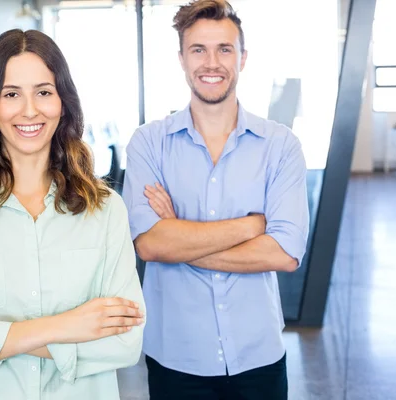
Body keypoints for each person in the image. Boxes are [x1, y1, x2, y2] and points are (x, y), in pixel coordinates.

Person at [0, 29, 145, 400]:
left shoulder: (106, 209)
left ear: (62, 102)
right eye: (11, 94)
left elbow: (125, 345)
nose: (29, 110)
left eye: (44, 92)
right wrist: (68, 326)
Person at [122, 1, 309, 399]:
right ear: (181, 59)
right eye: (198, 50)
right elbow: (150, 244)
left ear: (243, 57)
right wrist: (251, 226)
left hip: (258, 357)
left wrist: (181, 239)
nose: (212, 62)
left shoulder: (280, 146)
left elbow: (284, 252)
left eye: (224, 49)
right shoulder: (149, 144)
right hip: (176, 359)